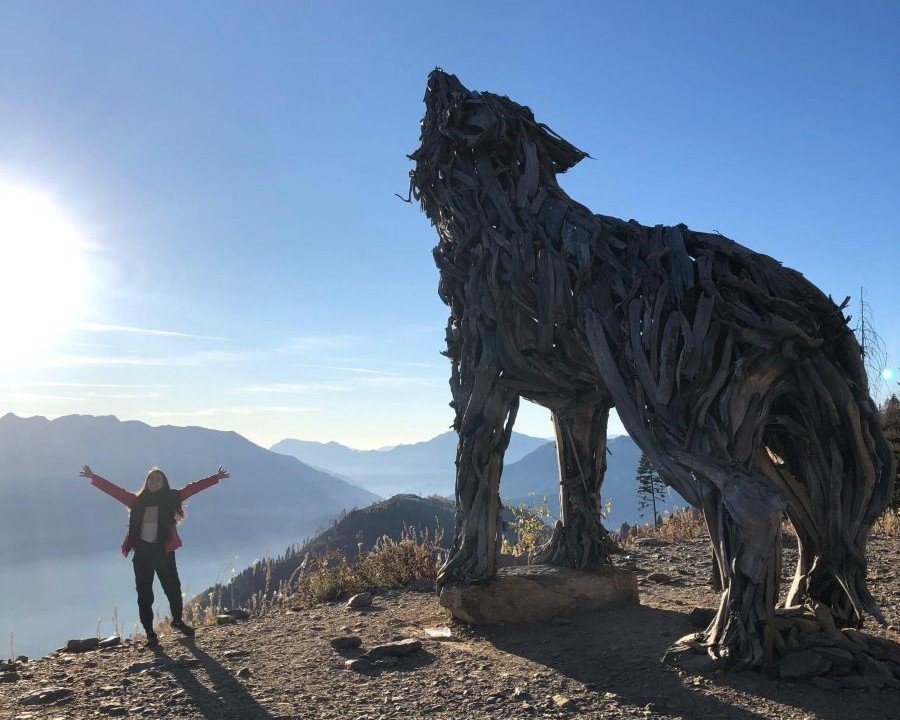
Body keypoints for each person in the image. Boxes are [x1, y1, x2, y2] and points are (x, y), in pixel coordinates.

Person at [79, 464, 231, 647]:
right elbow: (115, 492)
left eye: (158, 479)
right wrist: (94, 478)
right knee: (144, 595)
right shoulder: (136, 501)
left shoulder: (173, 497)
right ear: (147, 482)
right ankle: (150, 632)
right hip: (143, 554)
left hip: (164, 553)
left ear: (163, 482)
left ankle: (177, 621)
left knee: (173, 589)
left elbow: (192, 488)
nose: (154, 482)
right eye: (151, 479)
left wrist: (215, 478)